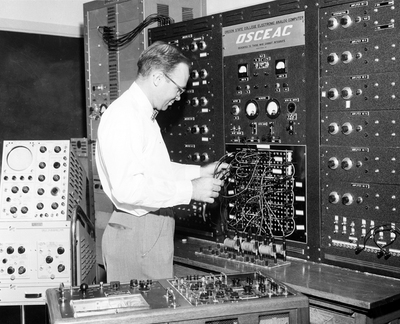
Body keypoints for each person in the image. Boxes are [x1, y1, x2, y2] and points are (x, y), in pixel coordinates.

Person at [95, 41, 227, 282]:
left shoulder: (143, 115)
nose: (178, 98)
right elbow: (129, 189)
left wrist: (201, 171)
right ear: (157, 78)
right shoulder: (125, 116)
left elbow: (157, 171)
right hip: (137, 234)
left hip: (147, 232)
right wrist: (191, 190)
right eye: (178, 89)